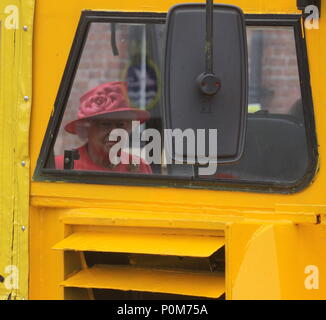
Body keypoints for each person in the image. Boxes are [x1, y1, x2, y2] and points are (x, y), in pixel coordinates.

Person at [55, 81, 152, 174]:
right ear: (86, 129)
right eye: (105, 124)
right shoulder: (62, 166)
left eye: (120, 125)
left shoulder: (140, 167)